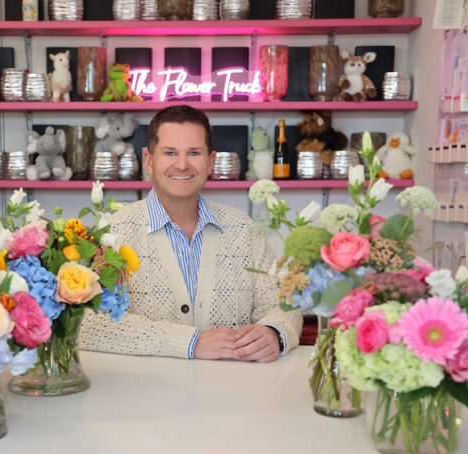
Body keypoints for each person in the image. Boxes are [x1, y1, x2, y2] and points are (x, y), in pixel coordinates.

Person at [78, 105, 302, 362]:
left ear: (210, 162)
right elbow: (88, 324)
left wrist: (274, 332)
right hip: (144, 396)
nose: (182, 165)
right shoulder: (112, 234)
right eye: (170, 152)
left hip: (235, 393)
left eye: (194, 153)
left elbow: (284, 305)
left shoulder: (245, 230)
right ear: (149, 161)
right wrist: (190, 342)